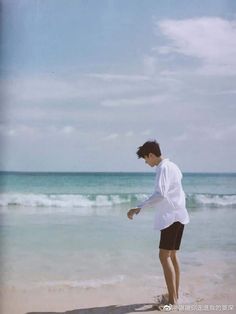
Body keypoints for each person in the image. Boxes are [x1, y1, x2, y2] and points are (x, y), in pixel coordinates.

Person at [127, 140, 189, 309]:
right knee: (173, 256)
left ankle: (172, 301)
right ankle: (174, 294)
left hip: (170, 218)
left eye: (146, 159)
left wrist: (140, 206)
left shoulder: (162, 168)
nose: (146, 163)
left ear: (151, 155)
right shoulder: (174, 166)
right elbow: (178, 191)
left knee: (163, 256)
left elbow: (160, 194)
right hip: (180, 215)